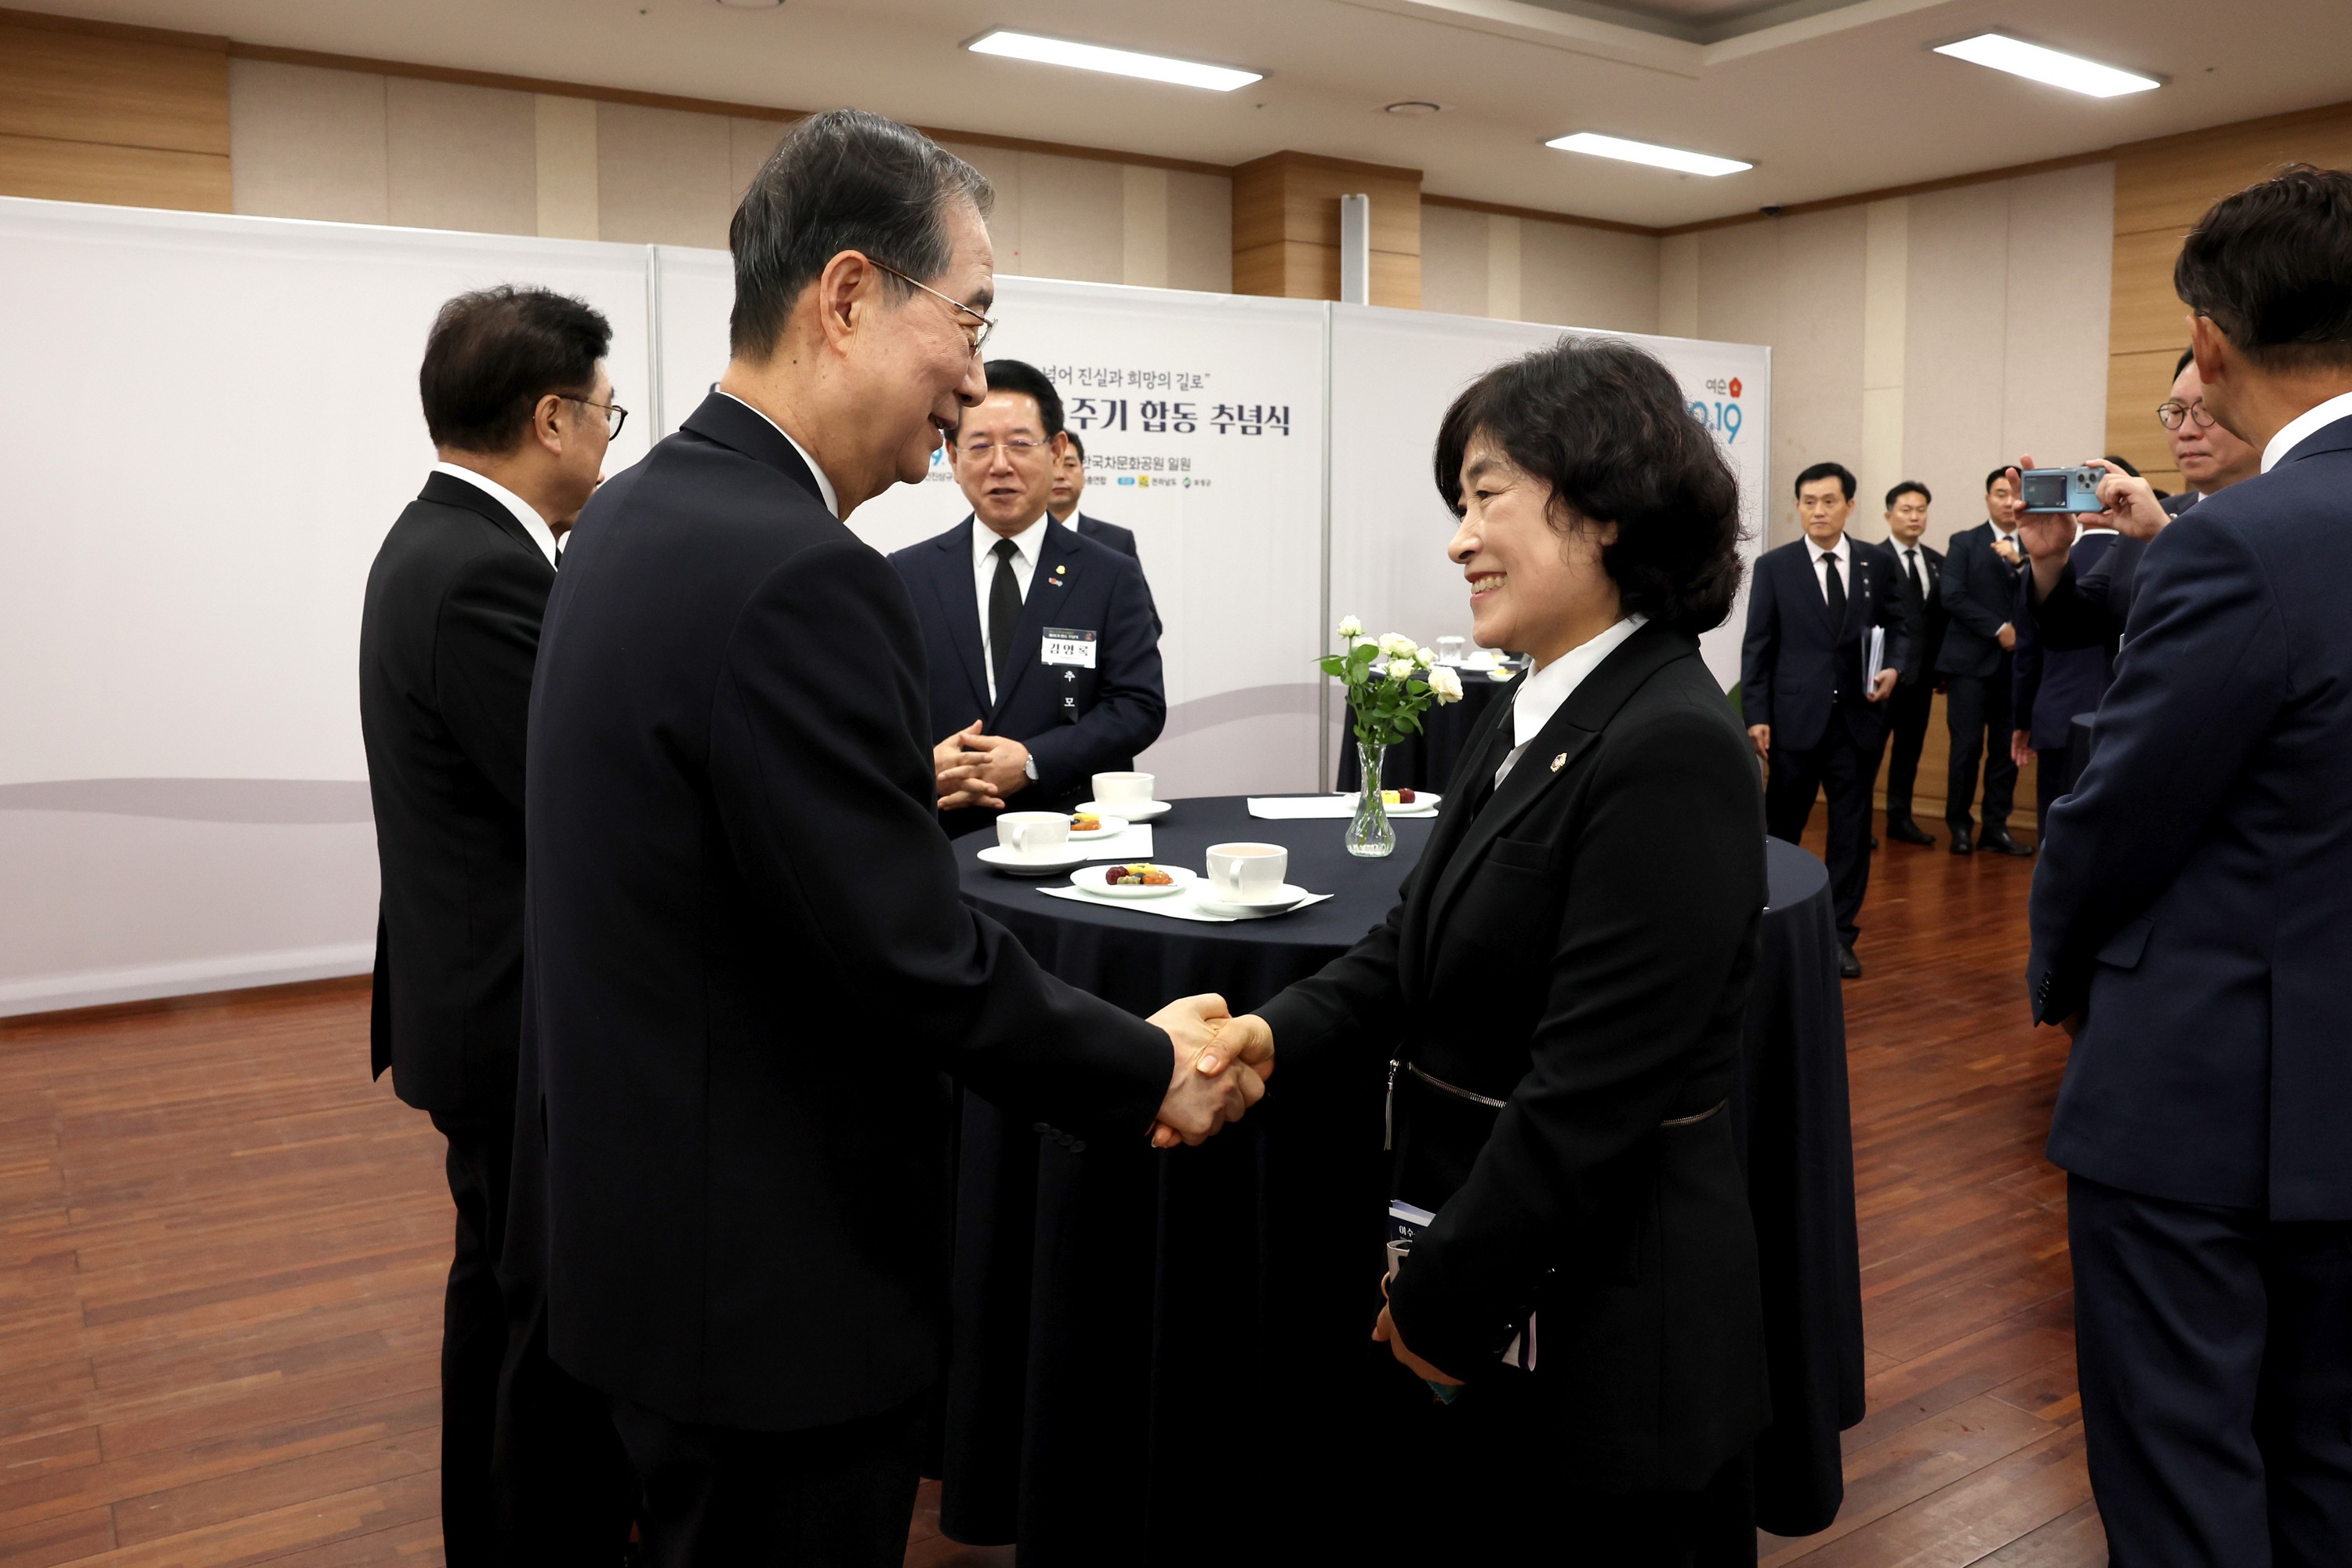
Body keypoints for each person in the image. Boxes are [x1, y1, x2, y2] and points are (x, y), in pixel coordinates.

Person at [517, 110, 1267, 1566]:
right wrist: (1147, 1069)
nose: (978, 380)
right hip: (769, 1296)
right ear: (850, 296)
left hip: (643, 1252)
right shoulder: (804, 573)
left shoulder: (631, 519)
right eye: (972, 318)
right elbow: (908, 956)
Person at [1197, 336, 1769, 1564]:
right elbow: (1411, 943)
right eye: (1459, 502)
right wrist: (1263, 1035)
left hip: (1609, 1329)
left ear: (1604, 504)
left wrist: (1437, 1303)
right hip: (1501, 1269)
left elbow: (1591, 1097)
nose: (1459, 538)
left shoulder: (1671, 742)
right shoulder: (1528, 701)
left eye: (1487, 492)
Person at [2027, 164, 2352, 1568]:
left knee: (2185, 1473)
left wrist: (2058, 972)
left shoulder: (2246, 546)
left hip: (2208, 1099)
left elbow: (2115, 817)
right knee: (2329, 1466)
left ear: (2208, 344)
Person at [356, 285, 629, 1561]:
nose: (609, 440)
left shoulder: (438, 543)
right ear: (553, 416)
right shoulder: (478, 570)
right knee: (532, 1311)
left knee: (499, 1291)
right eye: (610, 415)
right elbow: (571, 792)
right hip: (509, 1007)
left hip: (475, 994)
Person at [887, 358, 1165, 835]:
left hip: (1075, 834)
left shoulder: (1108, 573)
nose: (1000, 464)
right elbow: (879, 709)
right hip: (943, 837)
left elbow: (1139, 706)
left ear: (1057, 452)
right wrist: (925, 762)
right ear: (952, 459)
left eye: (1019, 444)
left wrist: (1034, 760)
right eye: (979, 446)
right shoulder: (906, 573)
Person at [1740, 462, 1908, 978]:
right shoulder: (1775, 566)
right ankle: (1770, 927)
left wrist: (1896, 666)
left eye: (1829, 501)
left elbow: (1902, 624)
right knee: (1782, 828)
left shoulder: (1876, 564)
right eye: (1808, 501)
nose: (1818, 510)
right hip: (1793, 720)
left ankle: (1838, 935)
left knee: (1851, 832)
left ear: (1849, 506)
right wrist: (1757, 715)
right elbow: (1759, 646)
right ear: (1799, 506)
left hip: (1858, 720)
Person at [2025, 347, 2263, 652]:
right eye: (2175, 412)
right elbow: (2072, 628)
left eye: (2206, 412)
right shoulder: (2151, 514)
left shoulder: (2289, 514)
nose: (2186, 431)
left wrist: (2164, 535)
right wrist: (2049, 561)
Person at [1936, 470, 2034, 856]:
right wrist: (1999, 628)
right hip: (1970, 666)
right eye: (2000, 494)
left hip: (2017, 668)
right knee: (1966, 748)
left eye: (2015, 495)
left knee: (2007, 751)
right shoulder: (1964, 542)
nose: (2009, 502)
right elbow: (1953, 596)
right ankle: (1959, 825)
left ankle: (1996, 826)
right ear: (1987, 498)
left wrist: (2023, 563)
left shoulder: (2036, 543)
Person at [2008, 518, 2118, 837]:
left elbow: (2027, 655)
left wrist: (2022, 721)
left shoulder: (2043, 566)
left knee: (2055, 836)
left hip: (2057, 713)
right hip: (2124, 718)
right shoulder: (2143, 559)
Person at [1877, 481, 1944, 847]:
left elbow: (1939, 621)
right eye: (1906, 509)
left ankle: (1899, 819)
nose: (1914, 517)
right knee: (1869, 751)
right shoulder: (1871, 559)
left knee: (1909, 753)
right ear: (1889, 515)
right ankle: (1856, 821)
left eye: (1921, 510)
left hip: (1922, 678)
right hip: (1882, 675)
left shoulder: (1937, 561)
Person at [1047, 428, 1139, 557]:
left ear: (1083, 474)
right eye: (1052, 465)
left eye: (1070, 465)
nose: (1060, 475)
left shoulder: (1118, 541)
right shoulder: (1015, 538)